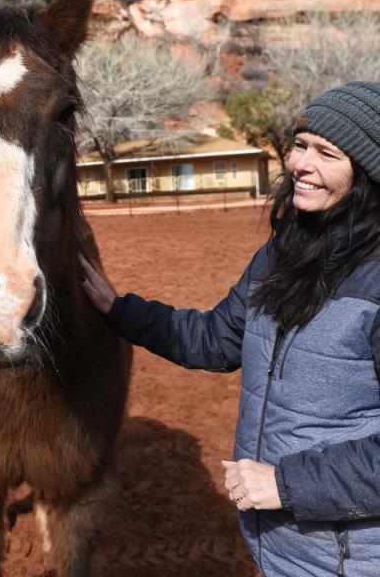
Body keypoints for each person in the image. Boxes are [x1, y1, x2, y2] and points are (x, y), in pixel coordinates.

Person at [81, 82, 380, 576]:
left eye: (328, 153)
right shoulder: (284, 254)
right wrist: (119, 310)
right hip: (281, 544)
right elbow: (215, 340)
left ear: (369, 174)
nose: (302, 164)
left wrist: (286, 485)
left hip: (353, 557)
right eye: (301, 144)